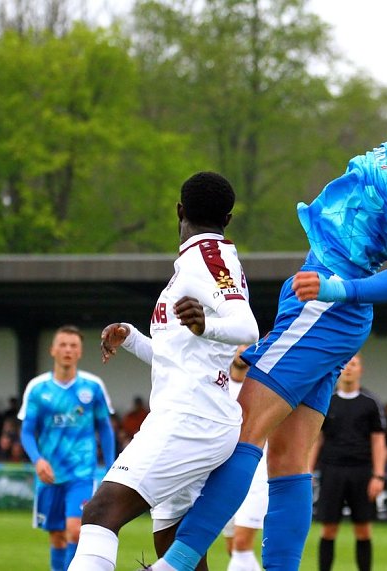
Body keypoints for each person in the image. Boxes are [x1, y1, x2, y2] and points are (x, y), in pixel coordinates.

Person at [147, 53, 387, 571]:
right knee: (288, 459)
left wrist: (337, 289)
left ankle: (174, 564)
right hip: (316, 300)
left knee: (241, 424)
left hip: (326, 308)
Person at [67, 171, 259, 571]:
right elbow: (183, 357)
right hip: (193, 414)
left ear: (179, 210)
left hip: (192, 419)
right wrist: (133, 338)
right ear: (228, 217)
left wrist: (206, 325)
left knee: (100, 512)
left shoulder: (208, 258)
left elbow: (247, 328)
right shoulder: (198, 263)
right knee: (174, 543)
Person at [18, 325, 117, 571]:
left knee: (75, 531)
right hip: (49, 474)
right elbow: (27, 431)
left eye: (73, 345)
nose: (68, 350)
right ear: (53, 350)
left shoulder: (93, 386)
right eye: (63, 344)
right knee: (57, 537)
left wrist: (111, 466)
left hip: (82, 473)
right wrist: (38, 460)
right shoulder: (38, 389)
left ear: (80, 352)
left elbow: (104, 428)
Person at [309, 353, 386, 571]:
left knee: (363, 529)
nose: (350, 368)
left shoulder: (371, 403)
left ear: (361, 370)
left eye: (355, 364)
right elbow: (317, 439)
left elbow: (379, 440)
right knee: (328, 529)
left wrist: (379, 475)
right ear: (340, 368)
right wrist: (308, 471)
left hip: (361, 472)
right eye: (346, 364)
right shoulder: (327, 400)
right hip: (332, 470)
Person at [222, 346, 268, 571]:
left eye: (248, 346)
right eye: (238, 346)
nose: (242, 351)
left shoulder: (262, 387)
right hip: (222, 473)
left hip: (256, 472)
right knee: (232, 548)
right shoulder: (217, 385)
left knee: (241, 544)